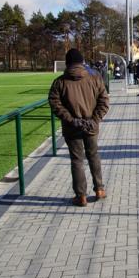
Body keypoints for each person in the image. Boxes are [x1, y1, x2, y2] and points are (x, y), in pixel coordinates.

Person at [48, 48, 109, 207]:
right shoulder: (95, 78)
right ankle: (99, 189)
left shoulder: (60, 82)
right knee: (93, 156)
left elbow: (55, 104)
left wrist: (72, 120)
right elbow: (104, 101)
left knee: (77, 160)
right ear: (82, 62)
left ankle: (81, 196)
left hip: (72, 127)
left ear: (67, 63)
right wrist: (94, 120)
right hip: (91, 125)